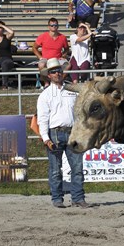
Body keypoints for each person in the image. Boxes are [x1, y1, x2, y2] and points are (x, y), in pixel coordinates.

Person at [37, 58, 96, 209]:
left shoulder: (72, 91)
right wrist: (45, 138)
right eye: (54, 72)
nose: (57, 73)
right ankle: (57, 199)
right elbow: (42, 119)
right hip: (54, 133)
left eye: (59, 71)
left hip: (72, 132)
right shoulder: (45, 95)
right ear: (48, 75)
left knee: (77, 167)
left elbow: (79, 112)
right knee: (55, 169)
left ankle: (78, 198)